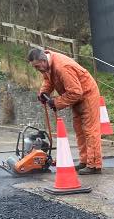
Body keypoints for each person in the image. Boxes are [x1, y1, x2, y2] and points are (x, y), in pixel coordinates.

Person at [27, 47, 102, 175]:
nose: (37, 69)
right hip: (77, 98)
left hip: (87, 95)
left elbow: (75, 92)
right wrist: (44, 92)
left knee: (90, 130)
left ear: (43, 60)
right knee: (80, 131)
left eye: (37, 66)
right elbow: (48, 80)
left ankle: (94, 165)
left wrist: (56, 102)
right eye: (35, 67)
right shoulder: (47, 66)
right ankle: (85, 161)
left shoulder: (62, 67)